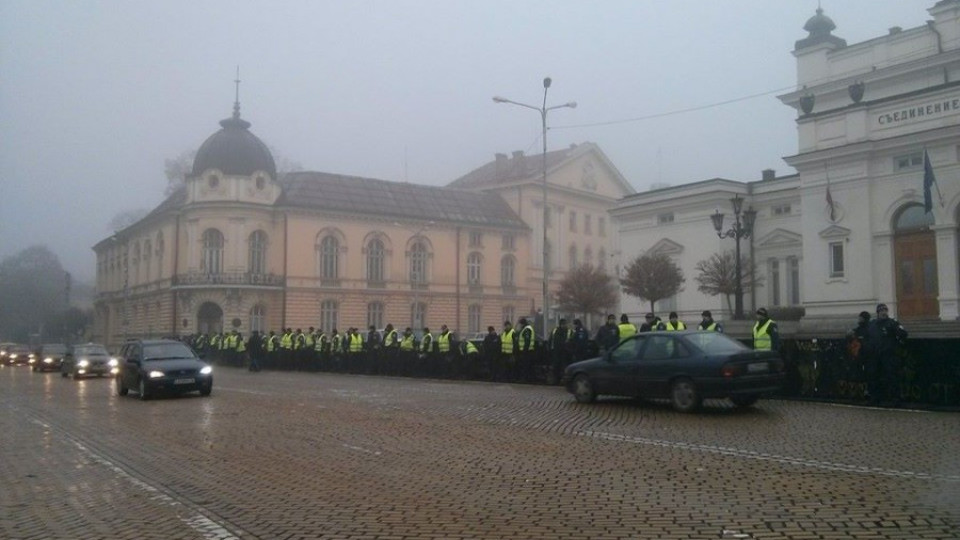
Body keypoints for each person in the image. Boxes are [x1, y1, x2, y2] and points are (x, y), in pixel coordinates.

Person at [864, 303, 908, 406]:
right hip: (875, 355)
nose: (884, 313)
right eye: (881, 311)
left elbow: (903, 334)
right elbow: (866, 337)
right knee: (874, 377)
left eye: (885, 310)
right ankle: (875, 398)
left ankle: (895, 399)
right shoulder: (872, 324)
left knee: (891, 376)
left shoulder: (892, 323)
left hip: (888, 355)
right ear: (878, 313)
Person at [549, 318, 572, 385]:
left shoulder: (569, 331)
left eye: (565, 324)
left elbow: (572, 341)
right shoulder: (555, 330)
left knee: (564, 366)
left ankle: (563, 380)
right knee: (556, 366)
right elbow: (550, 340)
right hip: (556, 352)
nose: (564, 325)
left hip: (565, 352)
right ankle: (556, 380)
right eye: (563, 324)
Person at [516, 317, 537, 382]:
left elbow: (527, 341)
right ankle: (528, 378)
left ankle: (525, 379)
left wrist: (524, 350)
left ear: (522, 323)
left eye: (520, 324)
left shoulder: (527, 329)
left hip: (527, 351)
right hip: (527, 351)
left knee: (526, 366)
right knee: (527, 366)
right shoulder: (526, 329)